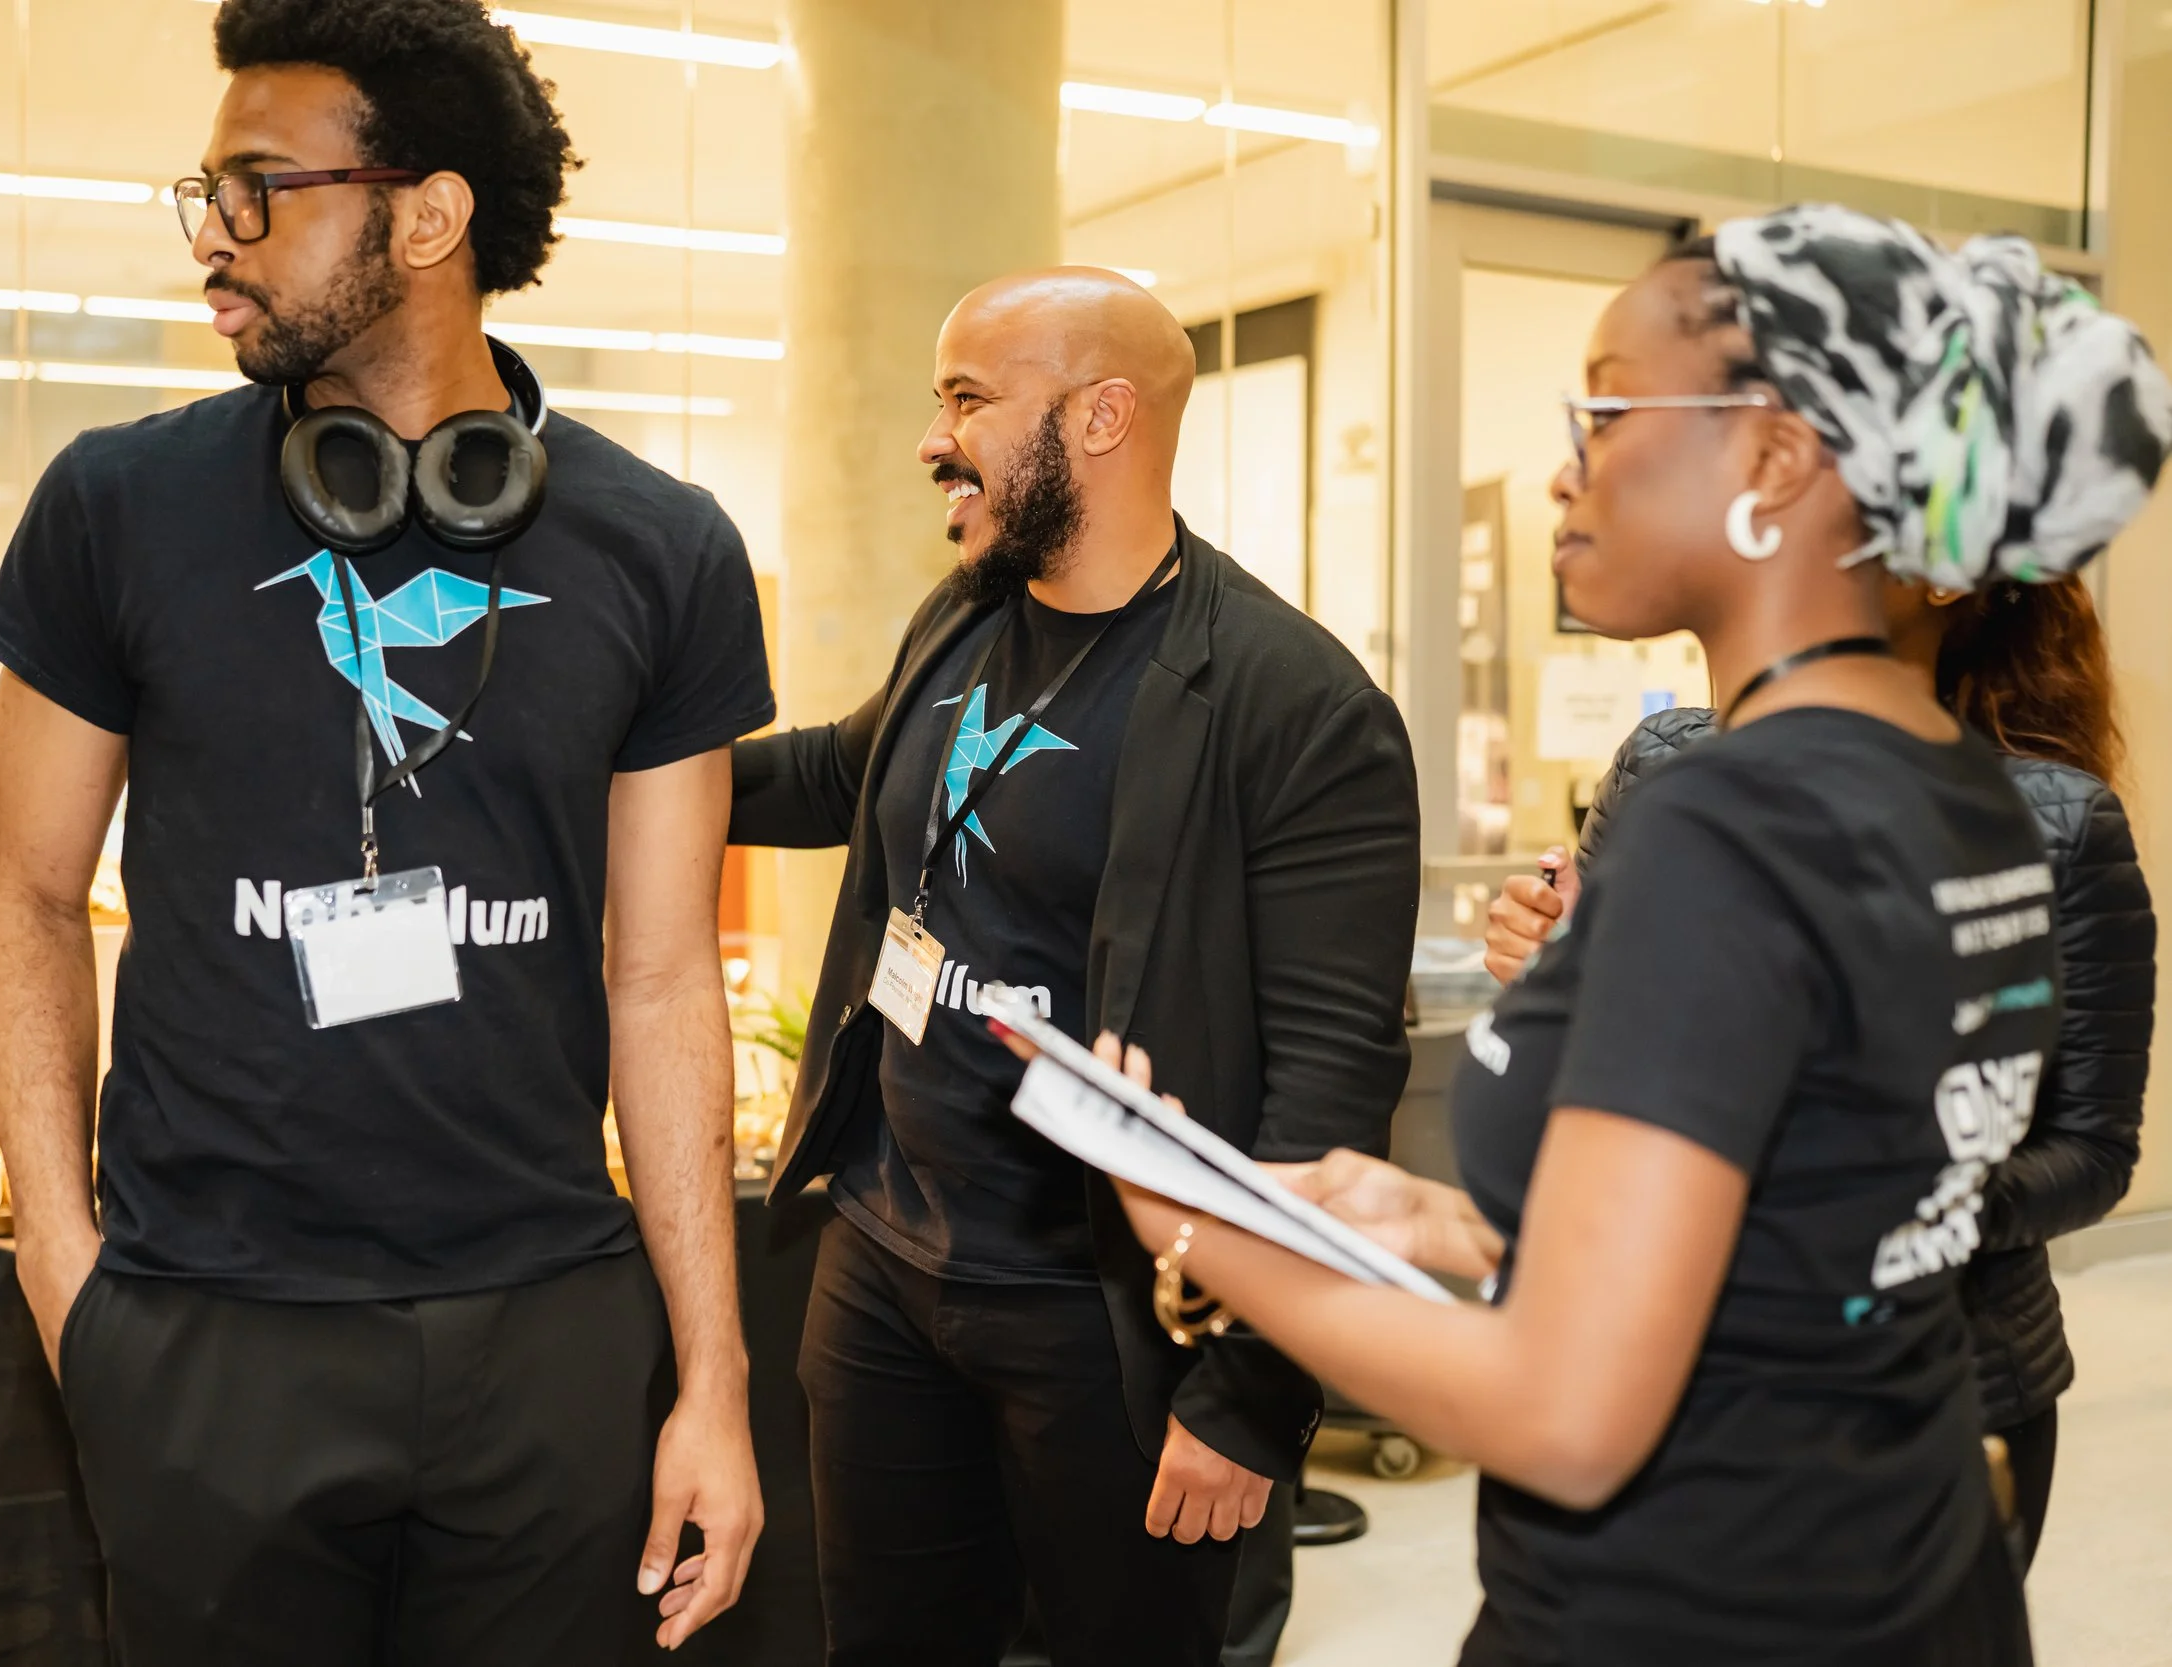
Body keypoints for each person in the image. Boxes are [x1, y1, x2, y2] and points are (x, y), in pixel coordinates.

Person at [1038, 206, 2171, 1666]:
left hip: (1690, 1597)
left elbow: (1567, 1415)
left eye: (1609, 410)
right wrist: (1428, 1218)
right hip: (1898, 1563)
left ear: (1774, 461)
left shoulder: (1732, 825)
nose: (1564, 467)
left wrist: (1194, 1222)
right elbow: (1799, 1211)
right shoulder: (1944, 784)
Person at [0, 2, 771, 1659]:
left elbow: (664, 975)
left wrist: (713, 1374)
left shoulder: (665, 549)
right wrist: (65, 1270)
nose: (214, 235)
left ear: (428, 216)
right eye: (205, 193)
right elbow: (29, 895)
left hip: (548, 1330)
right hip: (206, 1325)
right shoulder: (114, 507)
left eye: (259, 189)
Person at [729, 268, 1420, 1666]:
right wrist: (597, 760)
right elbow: (830, 775)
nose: (933, 440)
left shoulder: (1294, 704)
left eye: (967, 400)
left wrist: (1249, 1392)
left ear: (1101, 417)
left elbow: (1332, 1085)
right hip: (887, 1257)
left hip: (1104, 1316)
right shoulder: (965, 617)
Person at [1488, 573, 2154, 1569]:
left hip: (1939, 1386)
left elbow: (2090, 1153)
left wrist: (1886, 1202)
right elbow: (1592, 1062)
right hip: (1657, 1363)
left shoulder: (2052, 822)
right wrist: (1546, 972)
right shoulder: (1665, 762)